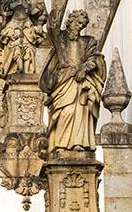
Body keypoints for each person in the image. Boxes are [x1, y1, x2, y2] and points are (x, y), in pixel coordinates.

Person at [40, 10, 105, 152]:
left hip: (80, 82)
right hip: (63, 80)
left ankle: (78, 143)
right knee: (65, 111)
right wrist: (53, 14)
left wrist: (84, 68)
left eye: (82, 24)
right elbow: (51, 29)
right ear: (70, 21)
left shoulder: (88, 42)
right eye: (78, 22)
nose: (79, 26)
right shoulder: (60, 38)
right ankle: (60, 145)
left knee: (81, 111)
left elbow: (95, 58)